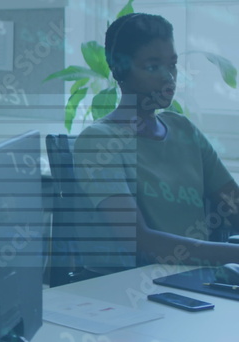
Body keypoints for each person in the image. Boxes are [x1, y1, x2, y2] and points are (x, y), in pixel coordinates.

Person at [74, 13, 239, 268]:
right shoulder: (98, 141)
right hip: (144, 290)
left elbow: (233, 205)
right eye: (152, 67)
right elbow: (140, 240)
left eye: (172, 64)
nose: (168, 77)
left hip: (200, 282)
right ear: (120, 70)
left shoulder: (183, 128)